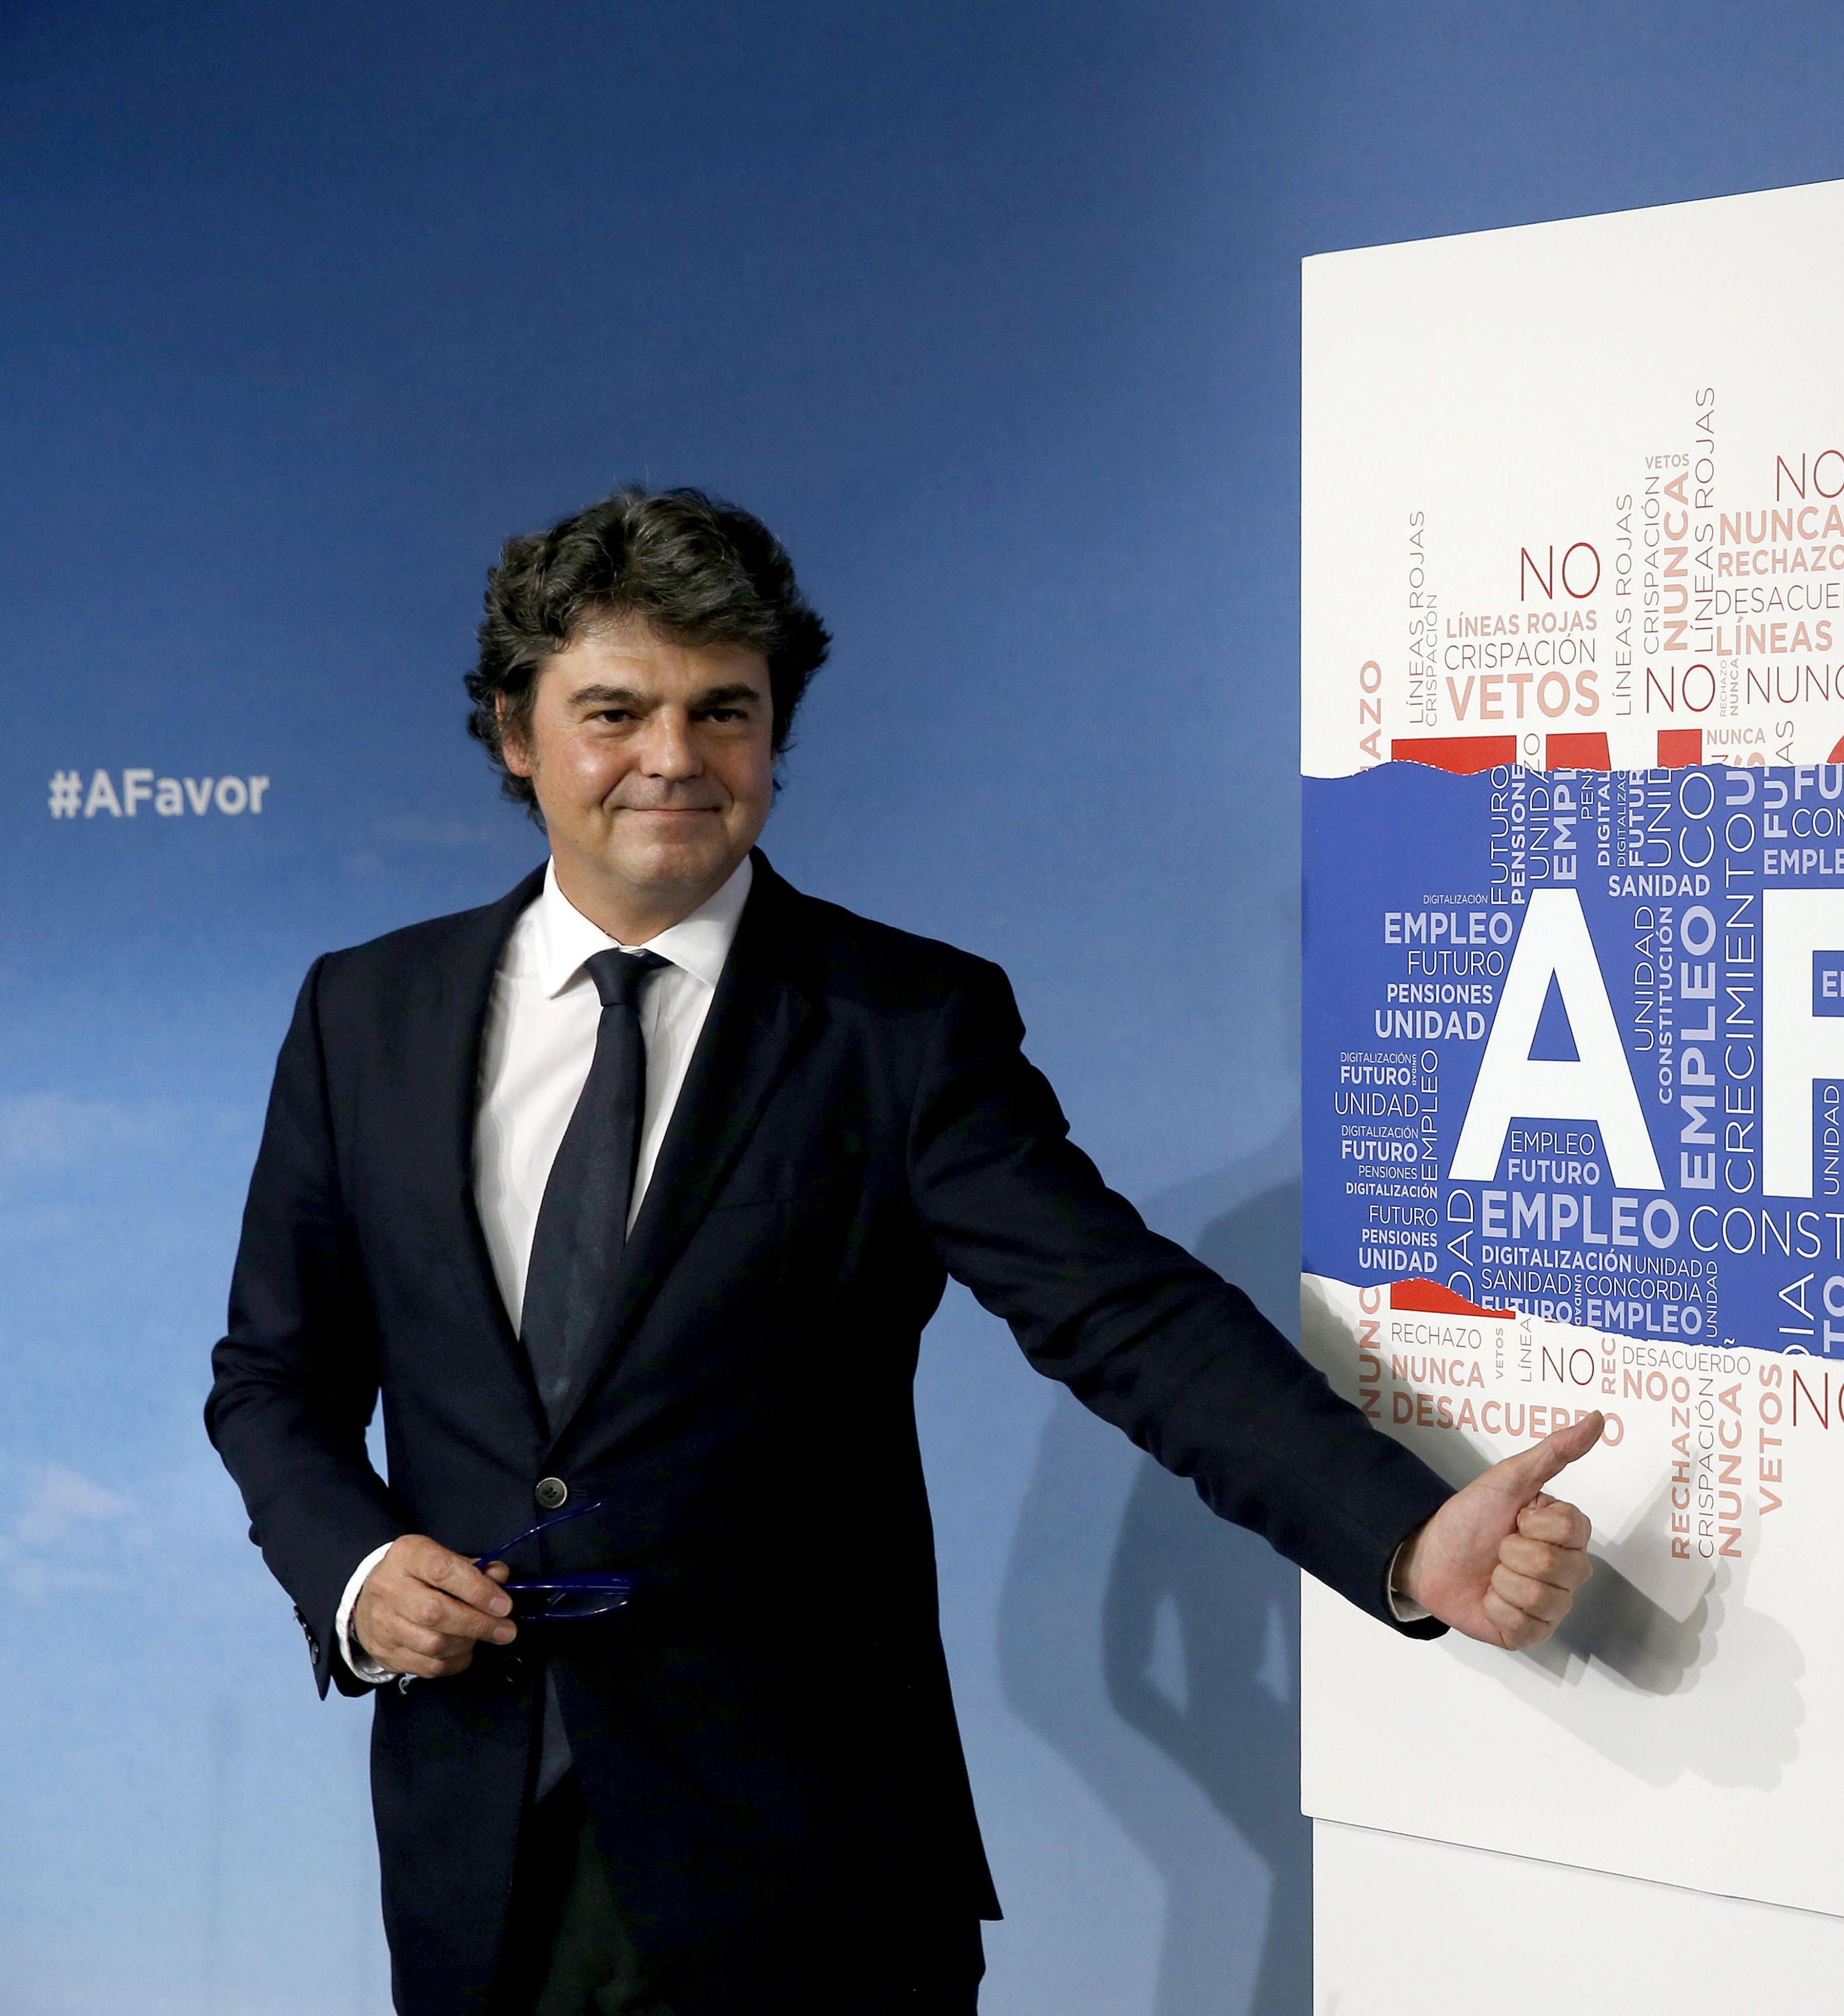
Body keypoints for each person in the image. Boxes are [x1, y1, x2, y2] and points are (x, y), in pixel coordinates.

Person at [204, 486, 1600, 2015]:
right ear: (514, 734)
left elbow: (1121, 1314)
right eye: (615, 711)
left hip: (810, 1874)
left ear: (775, 736)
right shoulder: (365, 1014)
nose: (674, 756)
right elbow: (274, 1378)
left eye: (724, 710)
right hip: (480, 1851)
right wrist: (355, 1571)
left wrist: (1400, 1533)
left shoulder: (904, 1022)